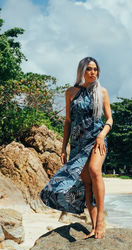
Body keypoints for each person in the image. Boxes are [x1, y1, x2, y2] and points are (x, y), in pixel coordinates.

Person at [40, 57, 113, 239]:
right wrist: (63, 148)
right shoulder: (71, 93)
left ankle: (102, 219)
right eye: (89, 69)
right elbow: (68, 121)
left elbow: (109, 119)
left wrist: (102, 135)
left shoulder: (101, 92)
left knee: (95, 171)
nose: (93, 72)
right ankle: (94, 226)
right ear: (81, 71)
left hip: (97, 140)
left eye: (95, 69)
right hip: (78, 143)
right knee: (86, 185)